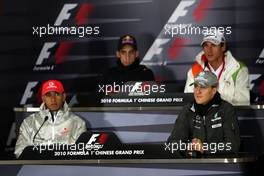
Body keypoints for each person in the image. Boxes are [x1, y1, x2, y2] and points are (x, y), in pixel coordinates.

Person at [168, 71, 240, 157]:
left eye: (203, 87)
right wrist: (188, 147)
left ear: (214, 90)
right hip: (192, 167)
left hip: (219, 168)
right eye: (195, 86)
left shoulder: (226, 109)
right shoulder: (188, 109)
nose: (197, 91)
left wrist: (205, 148)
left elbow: (233, 145)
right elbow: (171, 144)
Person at [14, 80, 87, 158]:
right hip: (37, 169)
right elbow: (20, 151)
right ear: (43, 98)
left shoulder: (78, 123)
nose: (53, 99)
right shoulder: (29, 122)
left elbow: (82, 153)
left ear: (63, 97)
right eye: (48, 95)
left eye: (57, 94)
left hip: (67, 168)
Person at [184, 30, 250, 105]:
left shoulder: (238, 69)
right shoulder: (194, 70)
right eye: (206, 45)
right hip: (202, 115)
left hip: (228, 115)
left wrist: (212, 98)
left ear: (223, 47)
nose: (209, 50)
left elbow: (243, 102)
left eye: (214, 45)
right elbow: (188, 100)